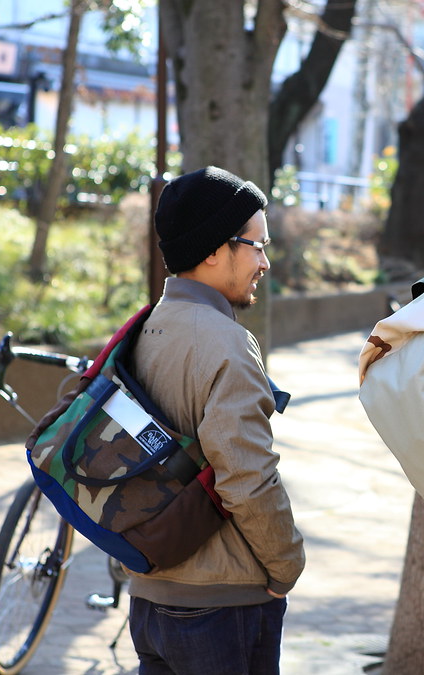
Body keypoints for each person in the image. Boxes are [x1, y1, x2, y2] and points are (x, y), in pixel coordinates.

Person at [128, 166, 305, 675]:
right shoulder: (227, 343)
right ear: (212, 250)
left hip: (149, 598)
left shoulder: (144, 328)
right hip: (222, 606)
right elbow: (247, 477)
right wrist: (286, 565)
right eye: (256, 246)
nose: (264, 262)